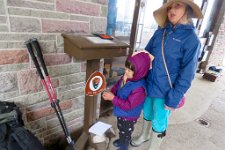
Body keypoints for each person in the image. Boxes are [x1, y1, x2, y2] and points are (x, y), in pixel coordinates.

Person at [130, 0, 203, 150]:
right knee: (148, 112)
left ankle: (154, 146)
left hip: (167, 90)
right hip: (150, 84)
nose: (171, 9)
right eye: (170, 6)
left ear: (187, 10)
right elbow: (146, 54)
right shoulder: (160, 32)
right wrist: (134, 66)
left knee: (159, 120)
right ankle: (145, 135)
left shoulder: (192, 40)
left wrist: (175, 97)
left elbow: (188, 74)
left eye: (177, 5)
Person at [102, 51, 154, 150]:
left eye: (130, 70)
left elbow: (128, 105)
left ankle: (124, 146)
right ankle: (122, 141)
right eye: (126, 68)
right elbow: (118, 85)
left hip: (129, 116)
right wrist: (112, 92)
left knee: (126, 132)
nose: (126, 71)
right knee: (121, 128)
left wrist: (113, 98)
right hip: (121, 112)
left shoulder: (139, 89)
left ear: (140, 71)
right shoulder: (127, 77)